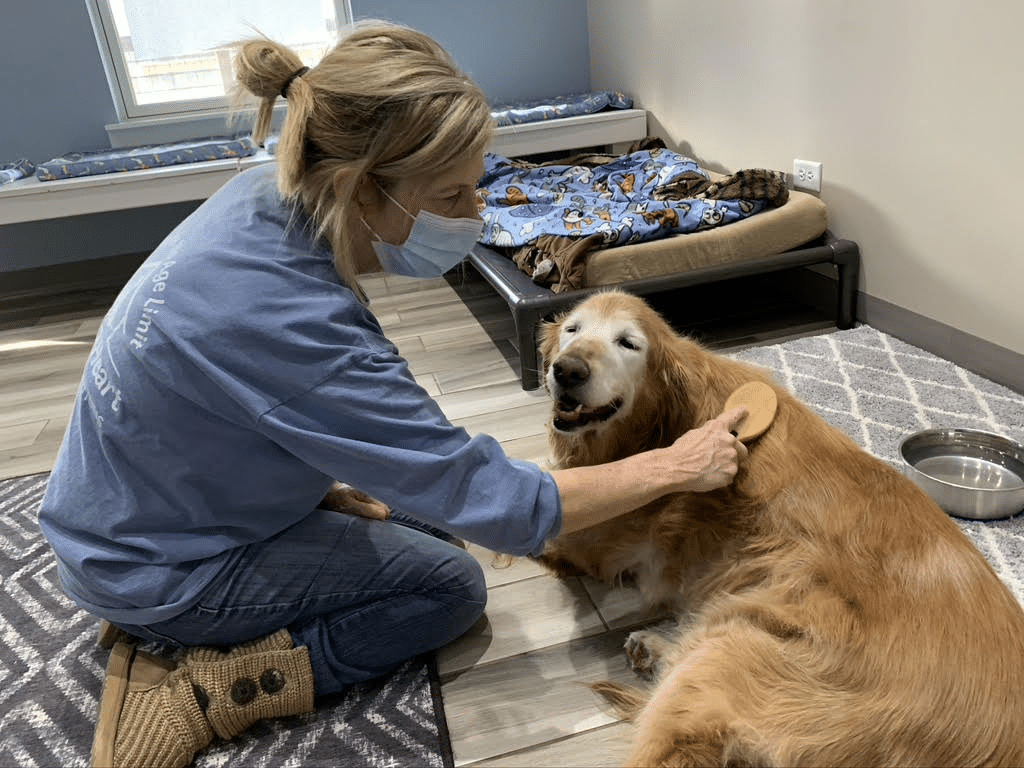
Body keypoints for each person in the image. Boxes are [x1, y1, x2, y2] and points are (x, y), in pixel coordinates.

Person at [38, 21, 748, 768]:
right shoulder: (291, 320)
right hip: (158, 565)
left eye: (475, 182)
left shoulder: (267, 193)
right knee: (447, 587)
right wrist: (675, 465)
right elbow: (505, 506)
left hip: (136, 502)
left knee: (431, 514)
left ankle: (238, 570)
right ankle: (216, 686)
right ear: (355, 187)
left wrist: (319, 491)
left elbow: (268, 405)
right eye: (449, 193)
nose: (474, 213)